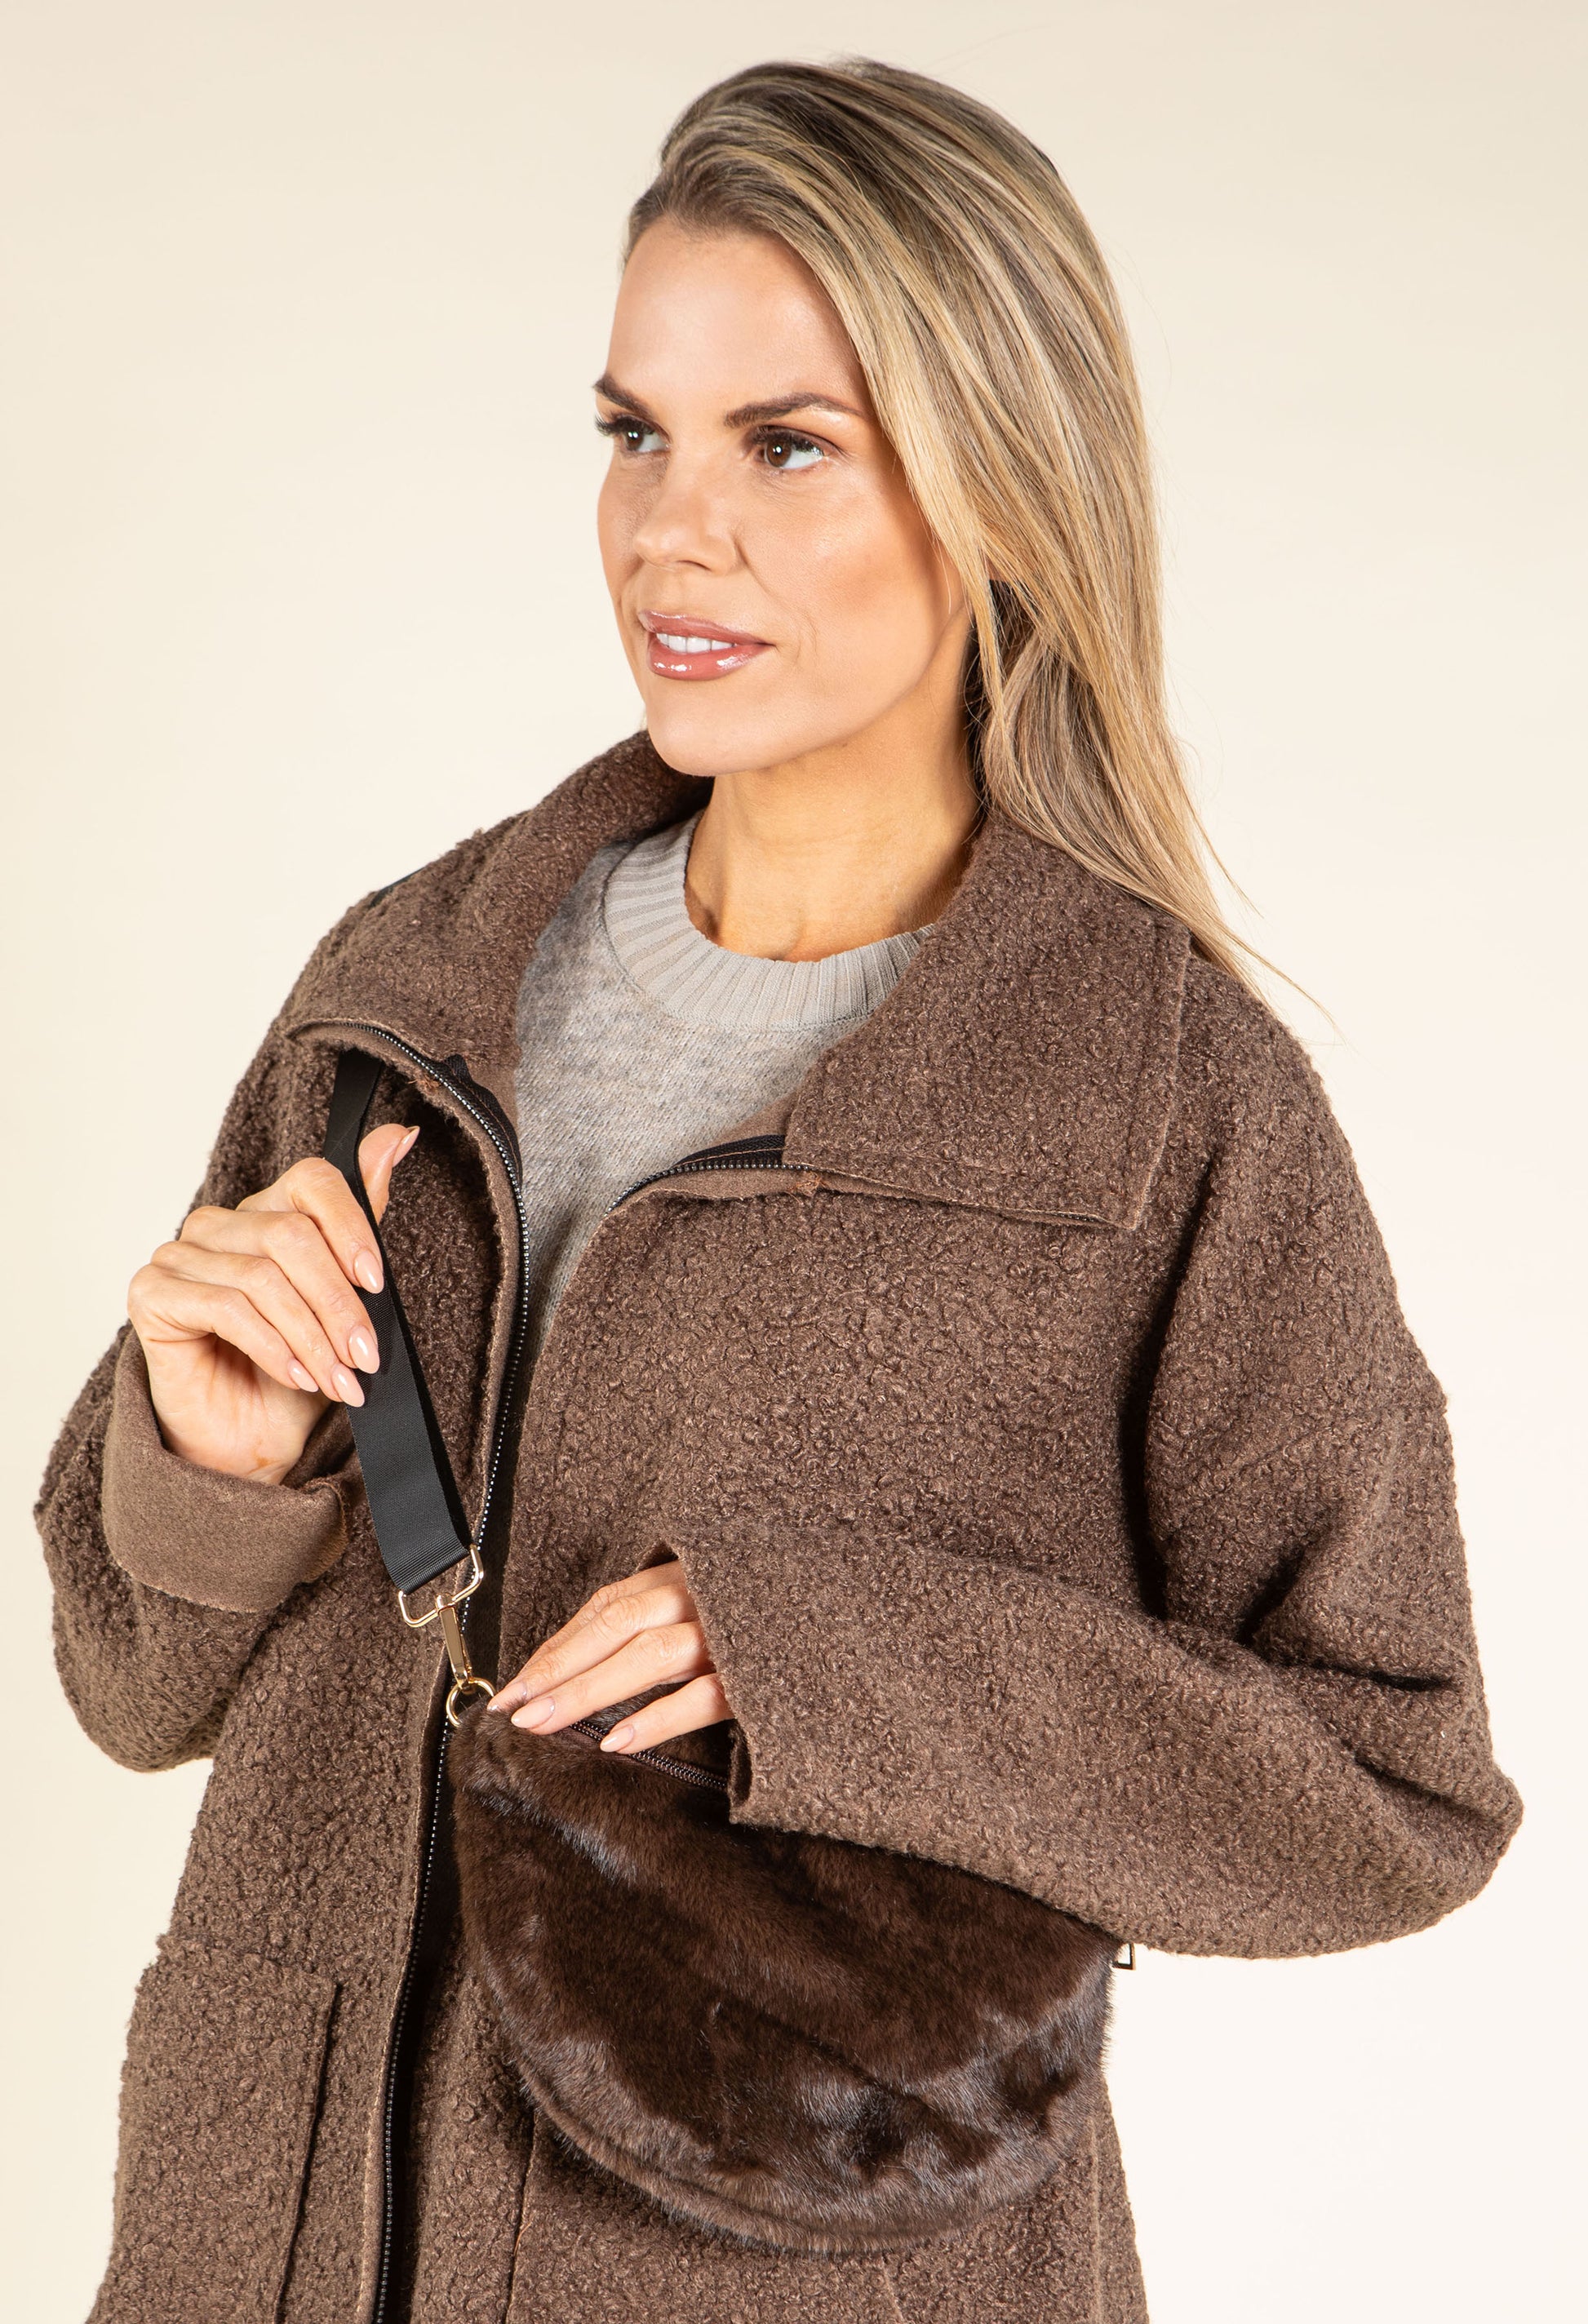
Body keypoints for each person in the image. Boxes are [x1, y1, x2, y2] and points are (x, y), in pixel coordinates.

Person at [38, 56, 1520, 2324]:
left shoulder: (1155, 1102)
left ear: (1002, 491)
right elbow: (134, 1685)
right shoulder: (409, 986)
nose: (671, 530)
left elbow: (1391, 1785)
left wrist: (831, 1665)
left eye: (786, 444)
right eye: (633, 432)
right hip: (266, 2245)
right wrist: (212, 1463)